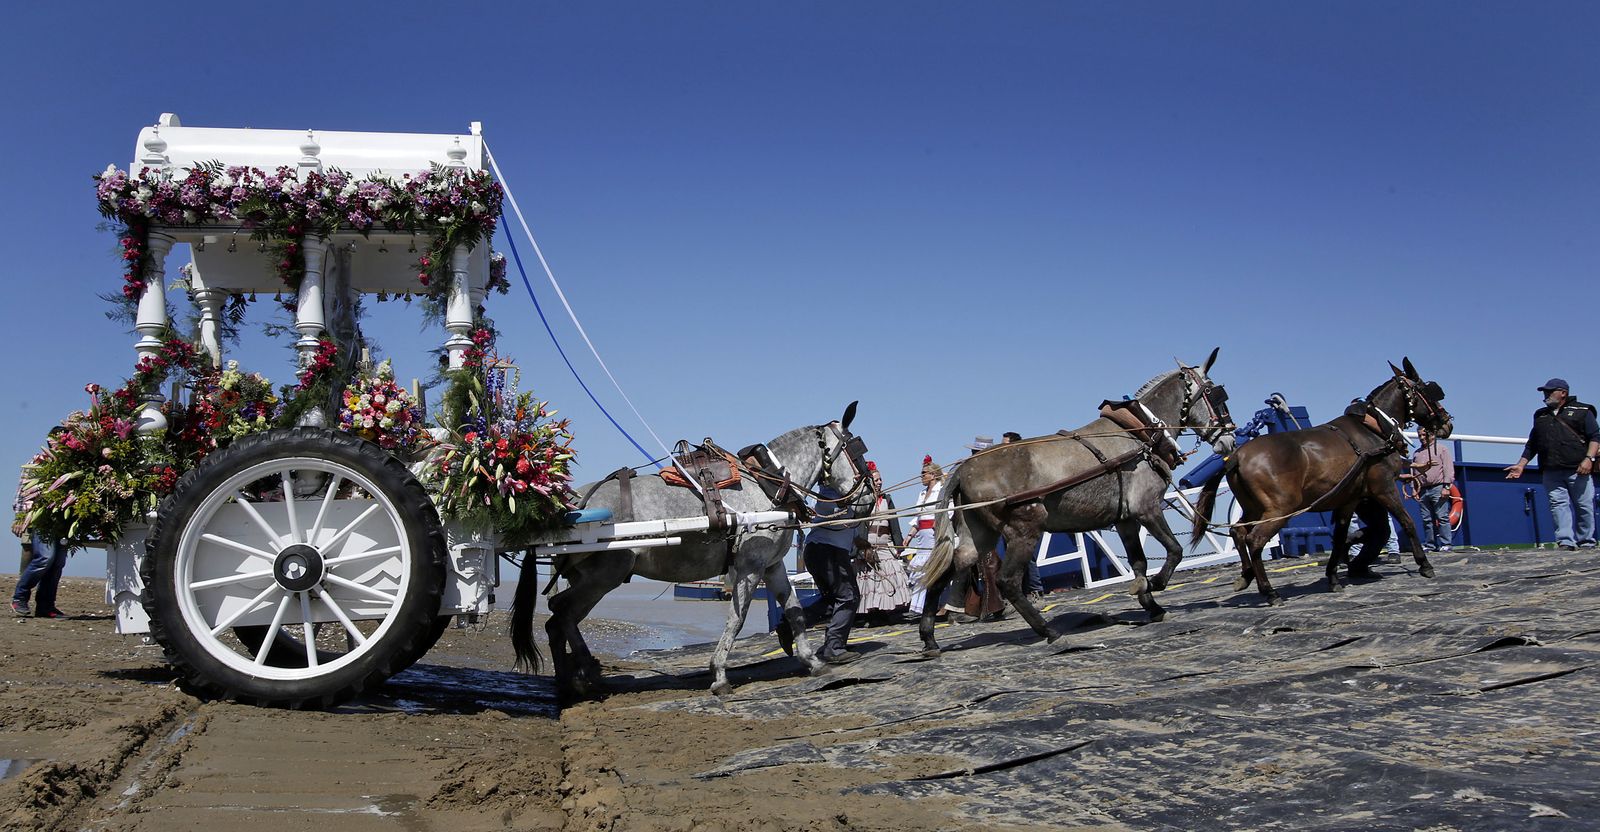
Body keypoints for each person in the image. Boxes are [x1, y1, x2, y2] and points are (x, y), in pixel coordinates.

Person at [1505, 378, 1600, 550]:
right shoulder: (1540, 415)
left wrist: (1589, 459)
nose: (1546, 394)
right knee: (1558, 505)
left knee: (1583, 505)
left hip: (1578, 469)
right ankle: (1565, 541)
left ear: (1563, 393)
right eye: (1544, 392)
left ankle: (1586, 541)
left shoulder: (1583, 411)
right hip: (1551, 469)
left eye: (1550, 391)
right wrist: (1521, 464)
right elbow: (1533, 443)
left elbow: (1595, 436)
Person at [779, 483, 868, 663]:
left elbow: (849, 528)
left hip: (822, 550)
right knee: (849, 597)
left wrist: (861, 543)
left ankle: (790, 624)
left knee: (832, 600)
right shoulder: (832, 493)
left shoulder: (846, 497)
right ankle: (834, 648)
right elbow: (832, 510)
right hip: (827, 551)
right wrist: (851, 500)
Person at [856, 462, 912, 625]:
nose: (880, 482)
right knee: (871, 580)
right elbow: (859, 526)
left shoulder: (887, 499)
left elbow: (894, 524)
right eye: (876, 480)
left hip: (885, 544)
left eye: (881, 479)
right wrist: (861, 549)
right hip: (868, 547)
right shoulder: (862, 501)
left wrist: (899, 544)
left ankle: (885, 611)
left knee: (890, 577)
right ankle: (873, 613)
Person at [11, 470, 70, 618]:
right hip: (41, 518)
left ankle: (45, 606)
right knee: (44, 557)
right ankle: (20, 598)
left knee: (57, 563)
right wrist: (20, 517)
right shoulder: (39, 461)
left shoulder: (76, 458)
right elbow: (23, 491)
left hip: (64, 519)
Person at [1405, 427, 1456, 552]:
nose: (1422, 438)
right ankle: (1430, 544)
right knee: (1426, 519)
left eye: (1424, 435)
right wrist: (1414, 488)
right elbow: (1413, 472)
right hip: (1422, 489)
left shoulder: (1441, 449)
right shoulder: (1416, 453)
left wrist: (1446, 487)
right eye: (1420, 435)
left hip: (1438, 487)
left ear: (1432, 434)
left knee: (1442, 516)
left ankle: (1446, 543)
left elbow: (1448, 469)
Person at [906, 456, 945, 617]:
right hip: (922, 535)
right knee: (920, 570)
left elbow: (947, 509)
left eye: (924, 473)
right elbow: (918, 516)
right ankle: (918, 607)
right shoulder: (922, 493)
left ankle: (934, 604)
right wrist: (909, 535)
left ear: (933, 475)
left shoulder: (941, 490)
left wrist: (940, 522)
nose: (921, 476)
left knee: (932, 569)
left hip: (935, 533)